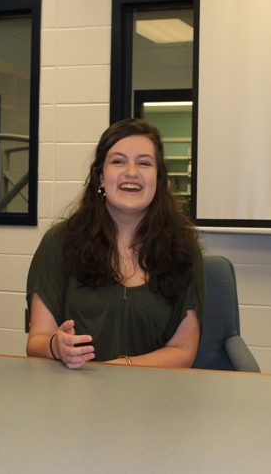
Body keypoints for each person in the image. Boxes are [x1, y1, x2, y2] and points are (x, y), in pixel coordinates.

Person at [26, 118, 203, 369]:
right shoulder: (60, 242)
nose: (131, 172)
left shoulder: (183, 249)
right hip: (74, 396)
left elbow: (183, 350)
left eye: (144, 163)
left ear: (159, 179)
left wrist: (121, 369)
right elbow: (36, 342)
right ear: (100, 177)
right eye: (118, 161)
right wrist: (56, 346)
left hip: (155, 397)